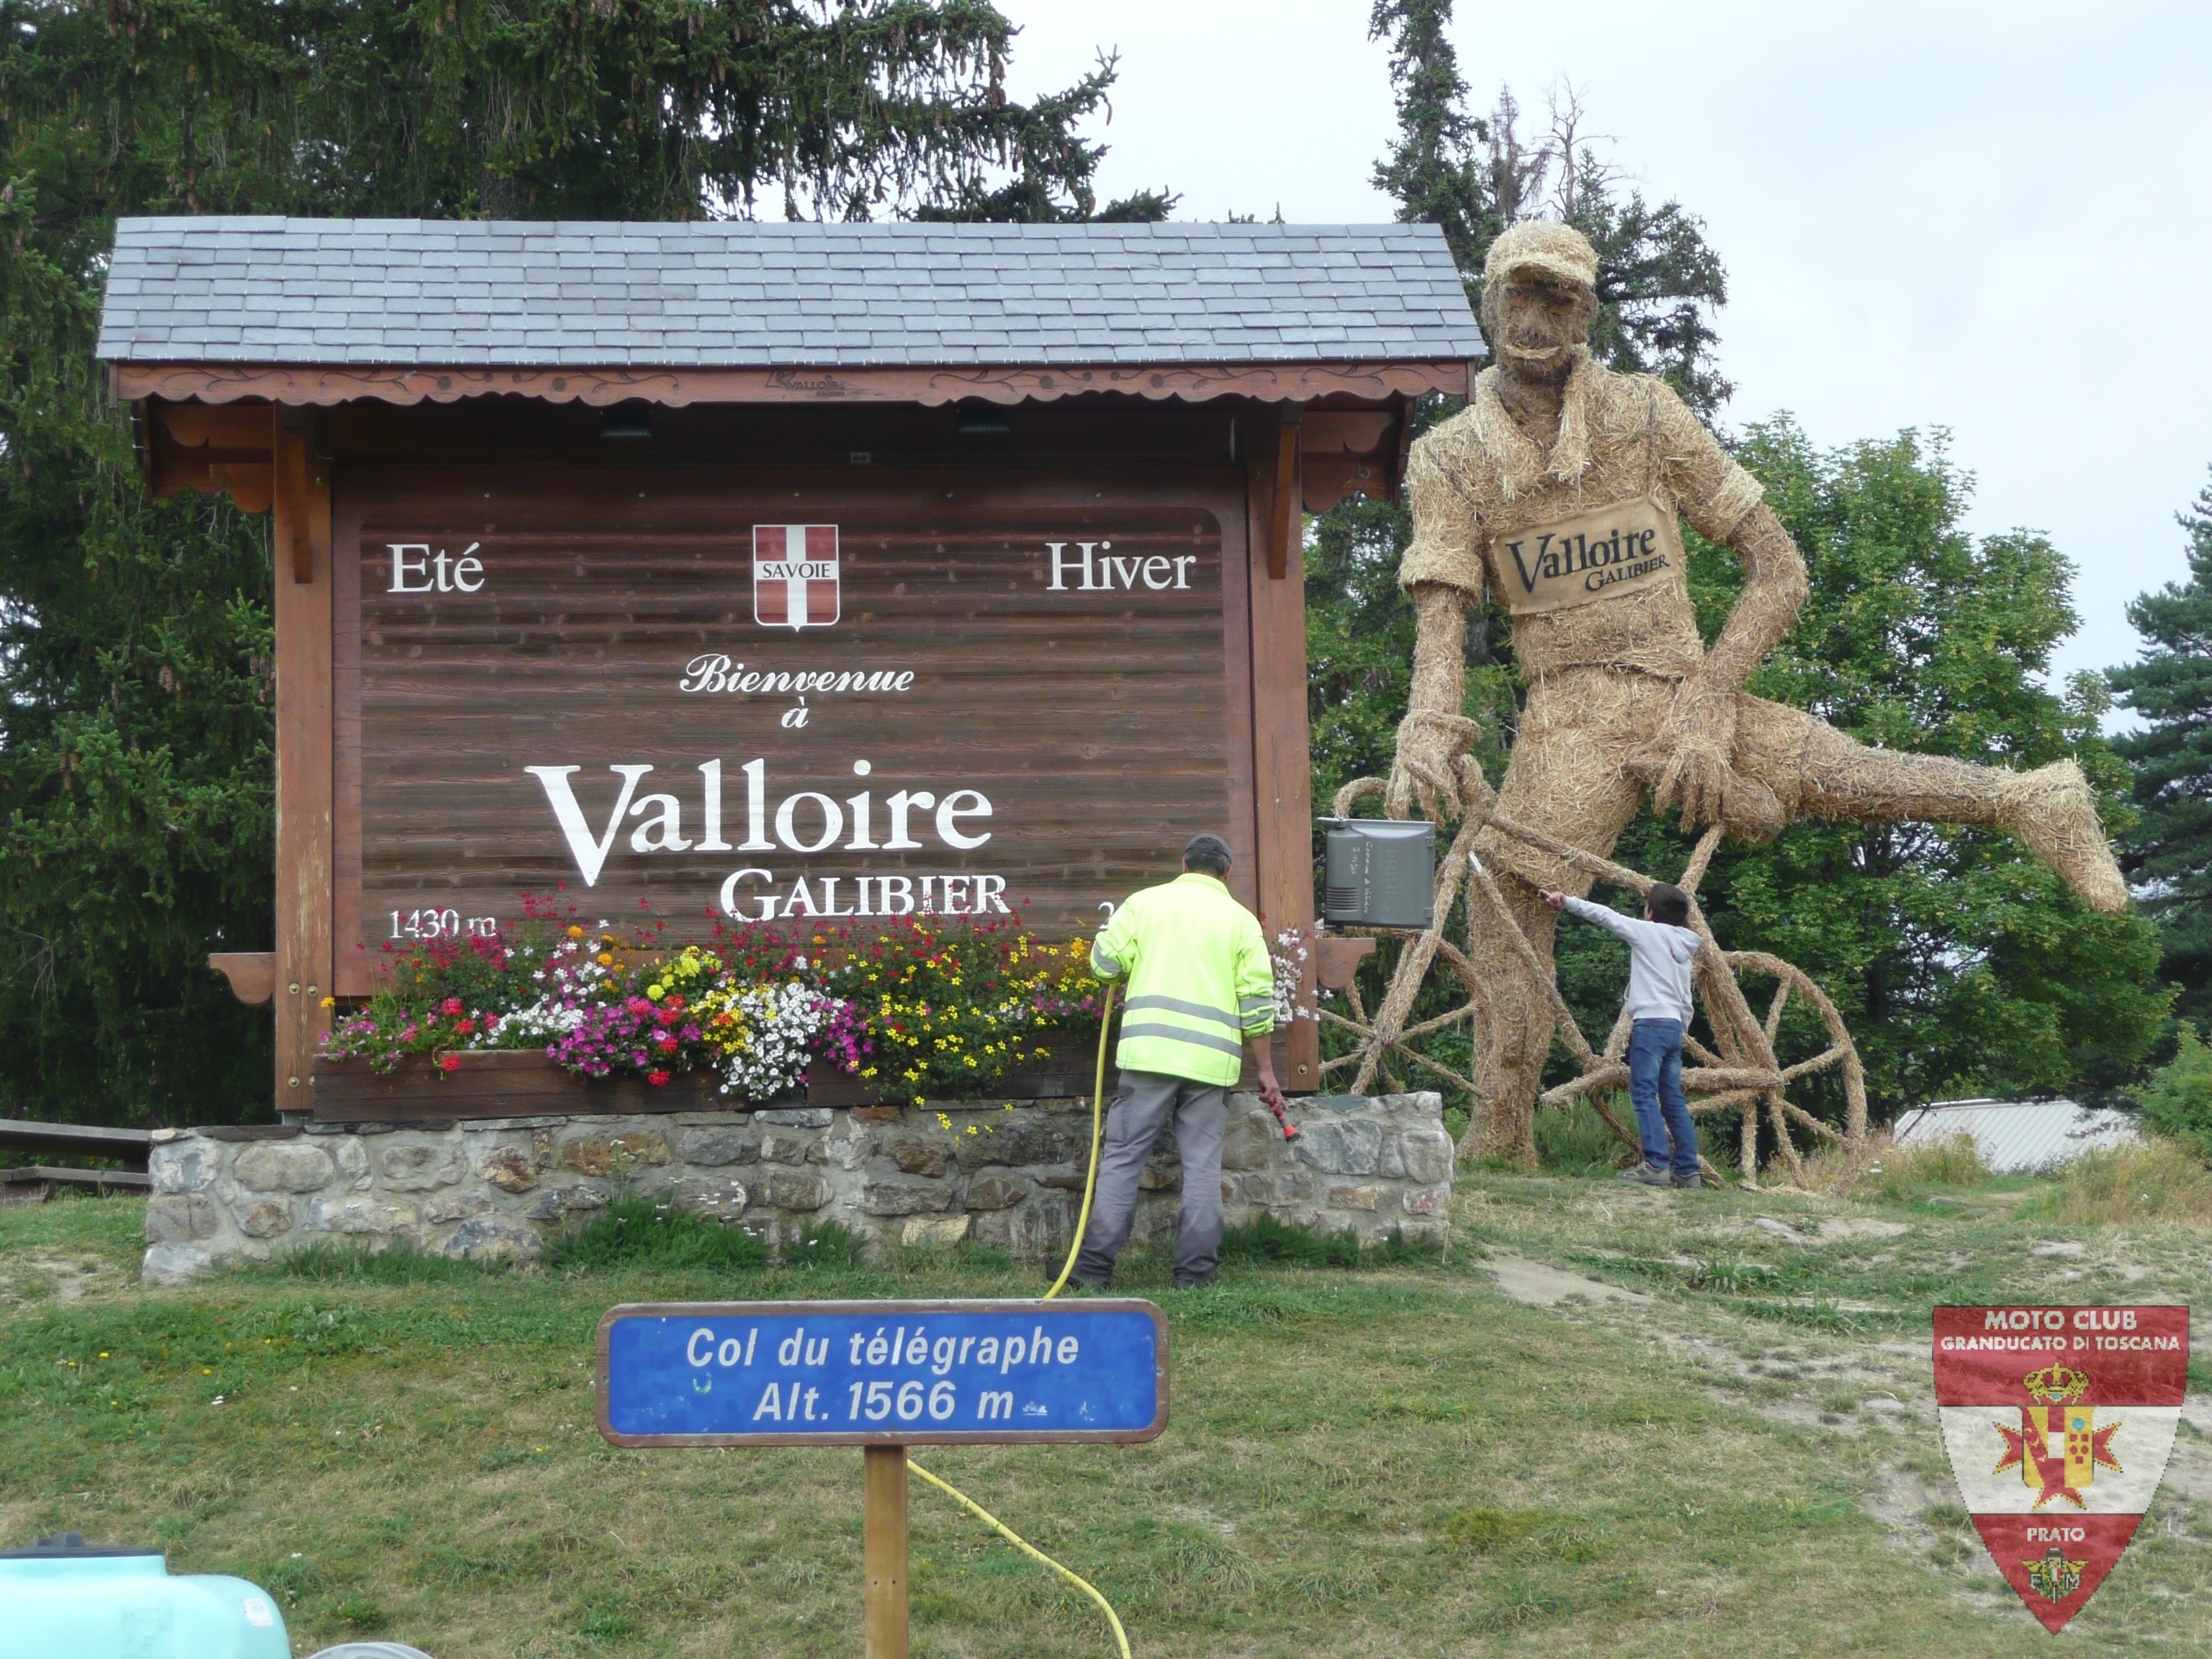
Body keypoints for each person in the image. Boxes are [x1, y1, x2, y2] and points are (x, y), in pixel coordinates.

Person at [1385, 217, 2126, 1167]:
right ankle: (1502, 1132)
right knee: (1507, 890)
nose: (1537, 318)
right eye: (1521, 294)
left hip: (1686, 690)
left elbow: (1779, 566)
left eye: (1560, 297)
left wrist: (1708, 696)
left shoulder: (1645, 414)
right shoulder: (1448, 460)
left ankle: (2036, 798)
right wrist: (1426, 719)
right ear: (1487, 297)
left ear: (1588, 312)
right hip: (1570, 717)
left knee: (1842, 771)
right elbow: (1440, 614)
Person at [1071, 834, 1286, 1290]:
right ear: (1227, 873)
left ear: (1183, 865)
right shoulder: (1242, 922)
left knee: (1123, 1161)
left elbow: (1104, 966)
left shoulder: (1144, 904)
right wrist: (1265, 1071)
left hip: (1147, 1057)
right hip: (1211, 1066)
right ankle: (1195, 1276)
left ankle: (1091, 1271)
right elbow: (1257, 1002)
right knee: (1203, 1168)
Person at [1539, 880, 1704, 1188]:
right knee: (1672, 1100)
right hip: (1673, 1026)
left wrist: (1567, 901)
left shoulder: (1648, 932)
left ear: (1650, 912)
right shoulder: (1685, 943)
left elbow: (1607, 916)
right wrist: (1681, 1028)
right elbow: (1686, 998)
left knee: (1643, 1094)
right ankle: (1688, 1171)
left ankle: (1655, 1165)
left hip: (1651, 1024)